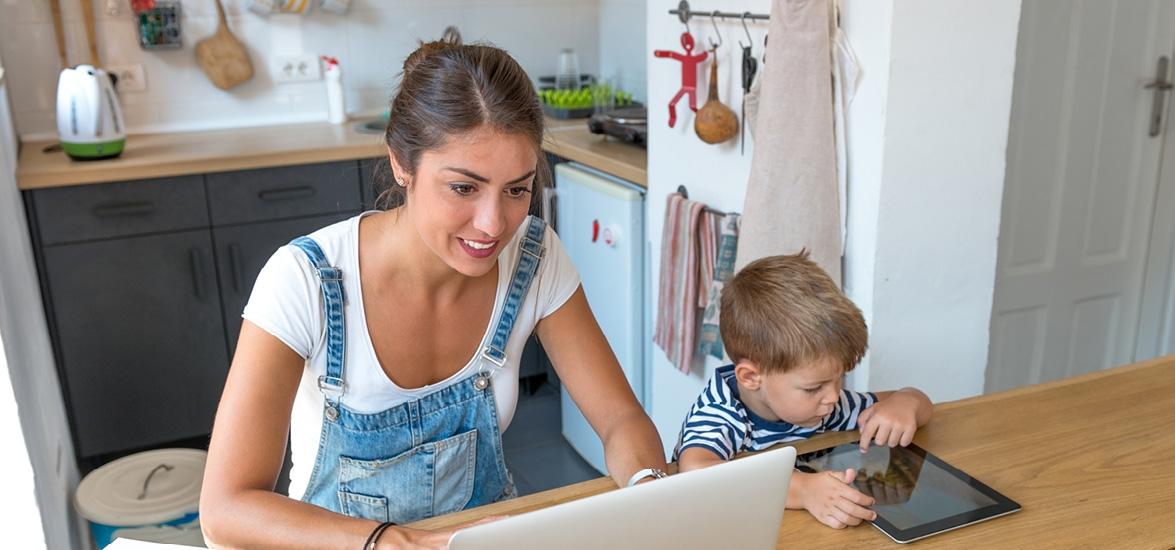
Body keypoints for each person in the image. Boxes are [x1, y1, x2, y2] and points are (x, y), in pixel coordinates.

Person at [200, 33, 666, 549]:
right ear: (402, 163)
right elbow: (225, 510)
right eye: (463, 188)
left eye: (517, 189)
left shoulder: (535, 258)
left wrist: (649, 491)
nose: (493, 225)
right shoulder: (305, 279)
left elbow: (621, 419)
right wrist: (394, 542)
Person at [674, 252, 933, 530]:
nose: (834, 396)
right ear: (751, 377)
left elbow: (915, 402)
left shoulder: (823, 406)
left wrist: (907, 402)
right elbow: (693, 472)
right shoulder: (721, 414)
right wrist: (801, 490)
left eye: (840, 379)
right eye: (814, 387)